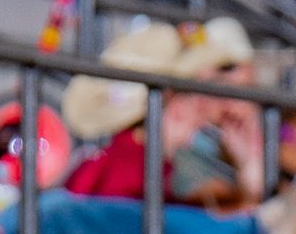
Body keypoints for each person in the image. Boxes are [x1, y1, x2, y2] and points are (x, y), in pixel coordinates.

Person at [63, 20, 266, 210]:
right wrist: (251, 180)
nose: (205, 105)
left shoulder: (129, 161)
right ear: (175, 106)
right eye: (192, 92)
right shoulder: (133, 169)